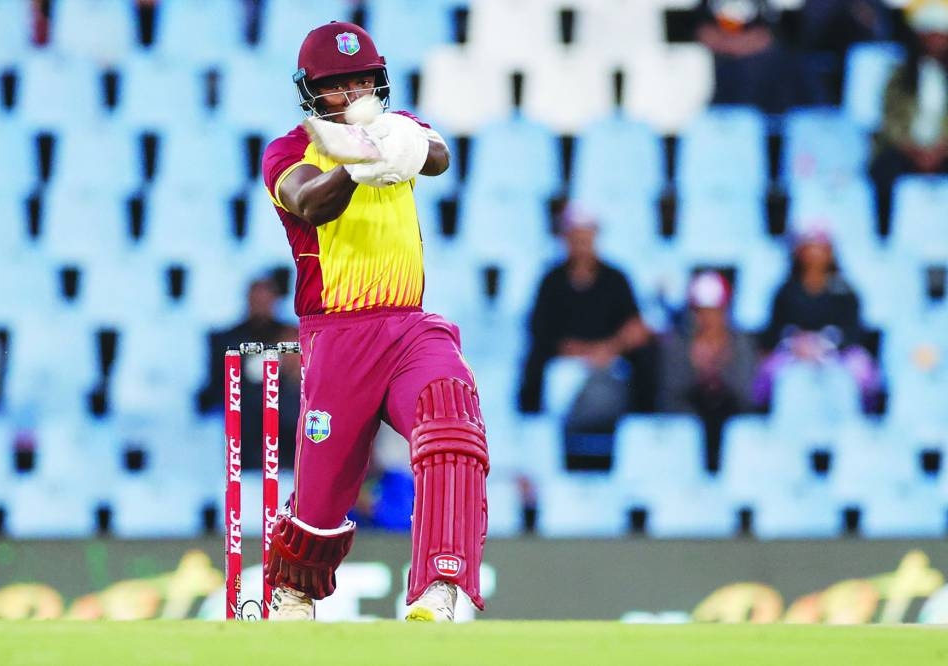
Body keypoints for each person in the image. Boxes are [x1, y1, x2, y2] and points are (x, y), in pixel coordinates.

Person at [258, 21, 488, 622]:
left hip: (410, 327)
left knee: (451, 419)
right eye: (337, 85)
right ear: (312, 92)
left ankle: (442, 585)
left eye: (362, 80)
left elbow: (436, 157)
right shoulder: (288, 151)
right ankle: (294, 592)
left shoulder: (395, 127)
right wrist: (356, 167)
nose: (353, 94)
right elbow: (310, 201)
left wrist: (399, 144)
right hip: (337, 337)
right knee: (321, 500)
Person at [517, 204, 653, 470]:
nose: (581, 243)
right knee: (536, 368)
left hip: (610, 362)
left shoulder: (616, 279)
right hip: (564, 363)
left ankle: (642, 436)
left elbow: (636, 329)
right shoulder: (551, 281)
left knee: (646, 363)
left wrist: (609, 349)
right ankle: (539, 444)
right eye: (575, 236)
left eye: (586, 236)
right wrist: (586, 352)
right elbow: (541, 332)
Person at [754, 229, 881, 409]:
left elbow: (853, 331)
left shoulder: (845, 291)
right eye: (810, 247)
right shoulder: (785, 291)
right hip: (793, 351)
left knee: (864, 372)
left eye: (820, 248)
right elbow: (774, 330)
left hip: (838, 351)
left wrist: (825, 343)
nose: (815, 254)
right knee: (767, 372)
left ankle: (867, 419)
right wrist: (796, 343)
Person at [658, 271, 757, 474]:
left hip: (731, 418)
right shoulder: (679, 344)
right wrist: (698, 375)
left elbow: (747, 393)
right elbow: (669, 394)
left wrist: (718, 373)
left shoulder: (741, 343)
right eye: (701, 311)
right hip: (689, 420)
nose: (708, 318)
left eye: (715, 310)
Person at [197, 277, 299, 471]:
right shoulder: (226, 340)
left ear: (275, 300)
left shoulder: (293, 336)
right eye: (256, 298)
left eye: (266, 298)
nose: (261, 304)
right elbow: (213, 390)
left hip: (286, 428)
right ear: (247, 299)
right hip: (245, 427)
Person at [869, 0, 948, 234]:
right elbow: (890, 120)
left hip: (942, 150)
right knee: (884, 171)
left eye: (940, 35)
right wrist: (913, 150)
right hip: (905, 150)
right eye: (930, 35)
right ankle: (886, 232)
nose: (935, 41)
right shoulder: (898, 75)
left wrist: (940, 150)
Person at [694, 0, 812, 114]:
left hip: (759, 64)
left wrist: (738, 44)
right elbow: (699, 30)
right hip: (714, 60)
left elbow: (769, 35)